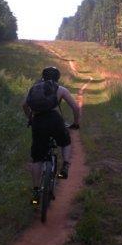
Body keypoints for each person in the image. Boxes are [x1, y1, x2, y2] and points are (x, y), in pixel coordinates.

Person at [22, 67, 80, 197]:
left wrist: (30, 119)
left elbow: (24, 105)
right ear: (57, 78)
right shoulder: (60, 89)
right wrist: (75, 123)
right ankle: (65, 165)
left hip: (38, 122)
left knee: (37, 158)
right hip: (54, 120)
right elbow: (75, 108)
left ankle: (36, 190)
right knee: (65, 142)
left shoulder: (35, 88)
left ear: (43, 76)